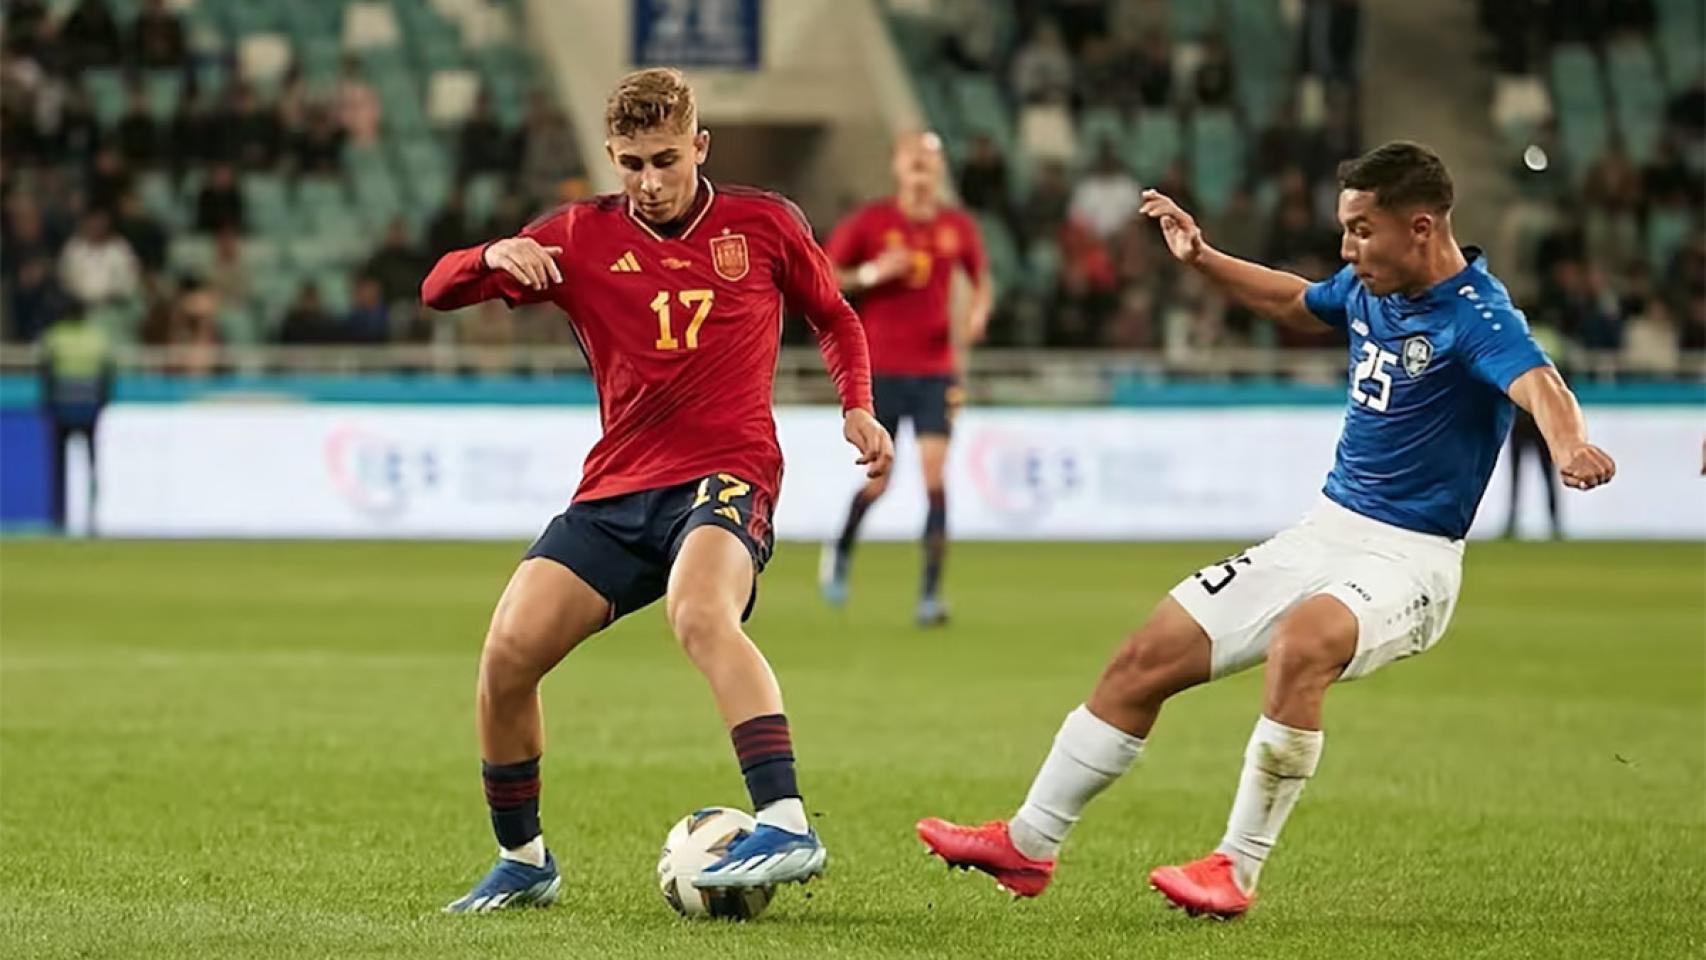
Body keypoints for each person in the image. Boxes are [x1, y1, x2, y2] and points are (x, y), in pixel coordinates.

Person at [916, 142, 1616, 918]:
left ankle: (1235, 869)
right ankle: (1029, 841)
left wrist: (1570, 445)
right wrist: (1203, 258)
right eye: (1346, 230)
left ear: (1420, 227)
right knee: (1146, 655)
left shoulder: (1477, 314)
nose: (1348, 249)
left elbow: (1540, 383)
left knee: (1301, 644)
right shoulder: (1368, 286)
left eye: (1361, 230)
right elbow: (1295, 300)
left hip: (1410, 561)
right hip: (1323, 532)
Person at [420, 67, 893, 913]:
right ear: (610, 156)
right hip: (617, 490)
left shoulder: (765, 223)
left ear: (699, 147)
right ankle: (525, 860)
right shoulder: (576, 235)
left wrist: (857, 406)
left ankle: (785, 821)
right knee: (504, 658)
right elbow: (438, 289)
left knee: (698, 611)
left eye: (665, 159)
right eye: (631, 163)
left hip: (727, 472)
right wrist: (491, 255)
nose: (648, 181)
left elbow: (834, 315)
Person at [820, 131, 991, 626]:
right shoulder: (873, 222)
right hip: (881, 371)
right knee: (879, 484)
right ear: (898, 167)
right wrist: (873, 273)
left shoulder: (956, 226)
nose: (921, 169)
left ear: (938, 170)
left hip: (936, 371)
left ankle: (931, 595)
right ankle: (842, 550)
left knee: (936, 479)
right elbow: (825, 275)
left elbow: (980, 279)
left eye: (929, 161)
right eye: (913, 160)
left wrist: (977, 311)